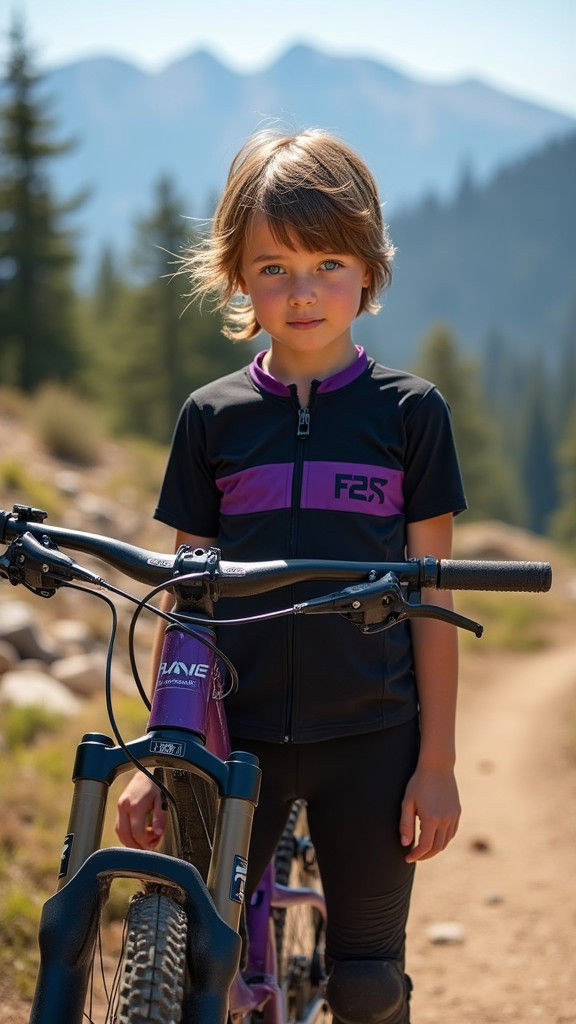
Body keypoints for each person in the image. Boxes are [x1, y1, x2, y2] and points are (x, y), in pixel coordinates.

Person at [116, 129, 467, 1024]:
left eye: (329, 261)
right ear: (237, 274)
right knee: (201, 969)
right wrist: (164, 756)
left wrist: (436, 763)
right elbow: (185, 598)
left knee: (367, 985)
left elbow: (434, 595)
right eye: (273, 267)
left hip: (374, 738)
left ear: (369, 269)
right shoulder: (212, 419)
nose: (303, 290)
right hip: (240, 739)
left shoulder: (411, 414)